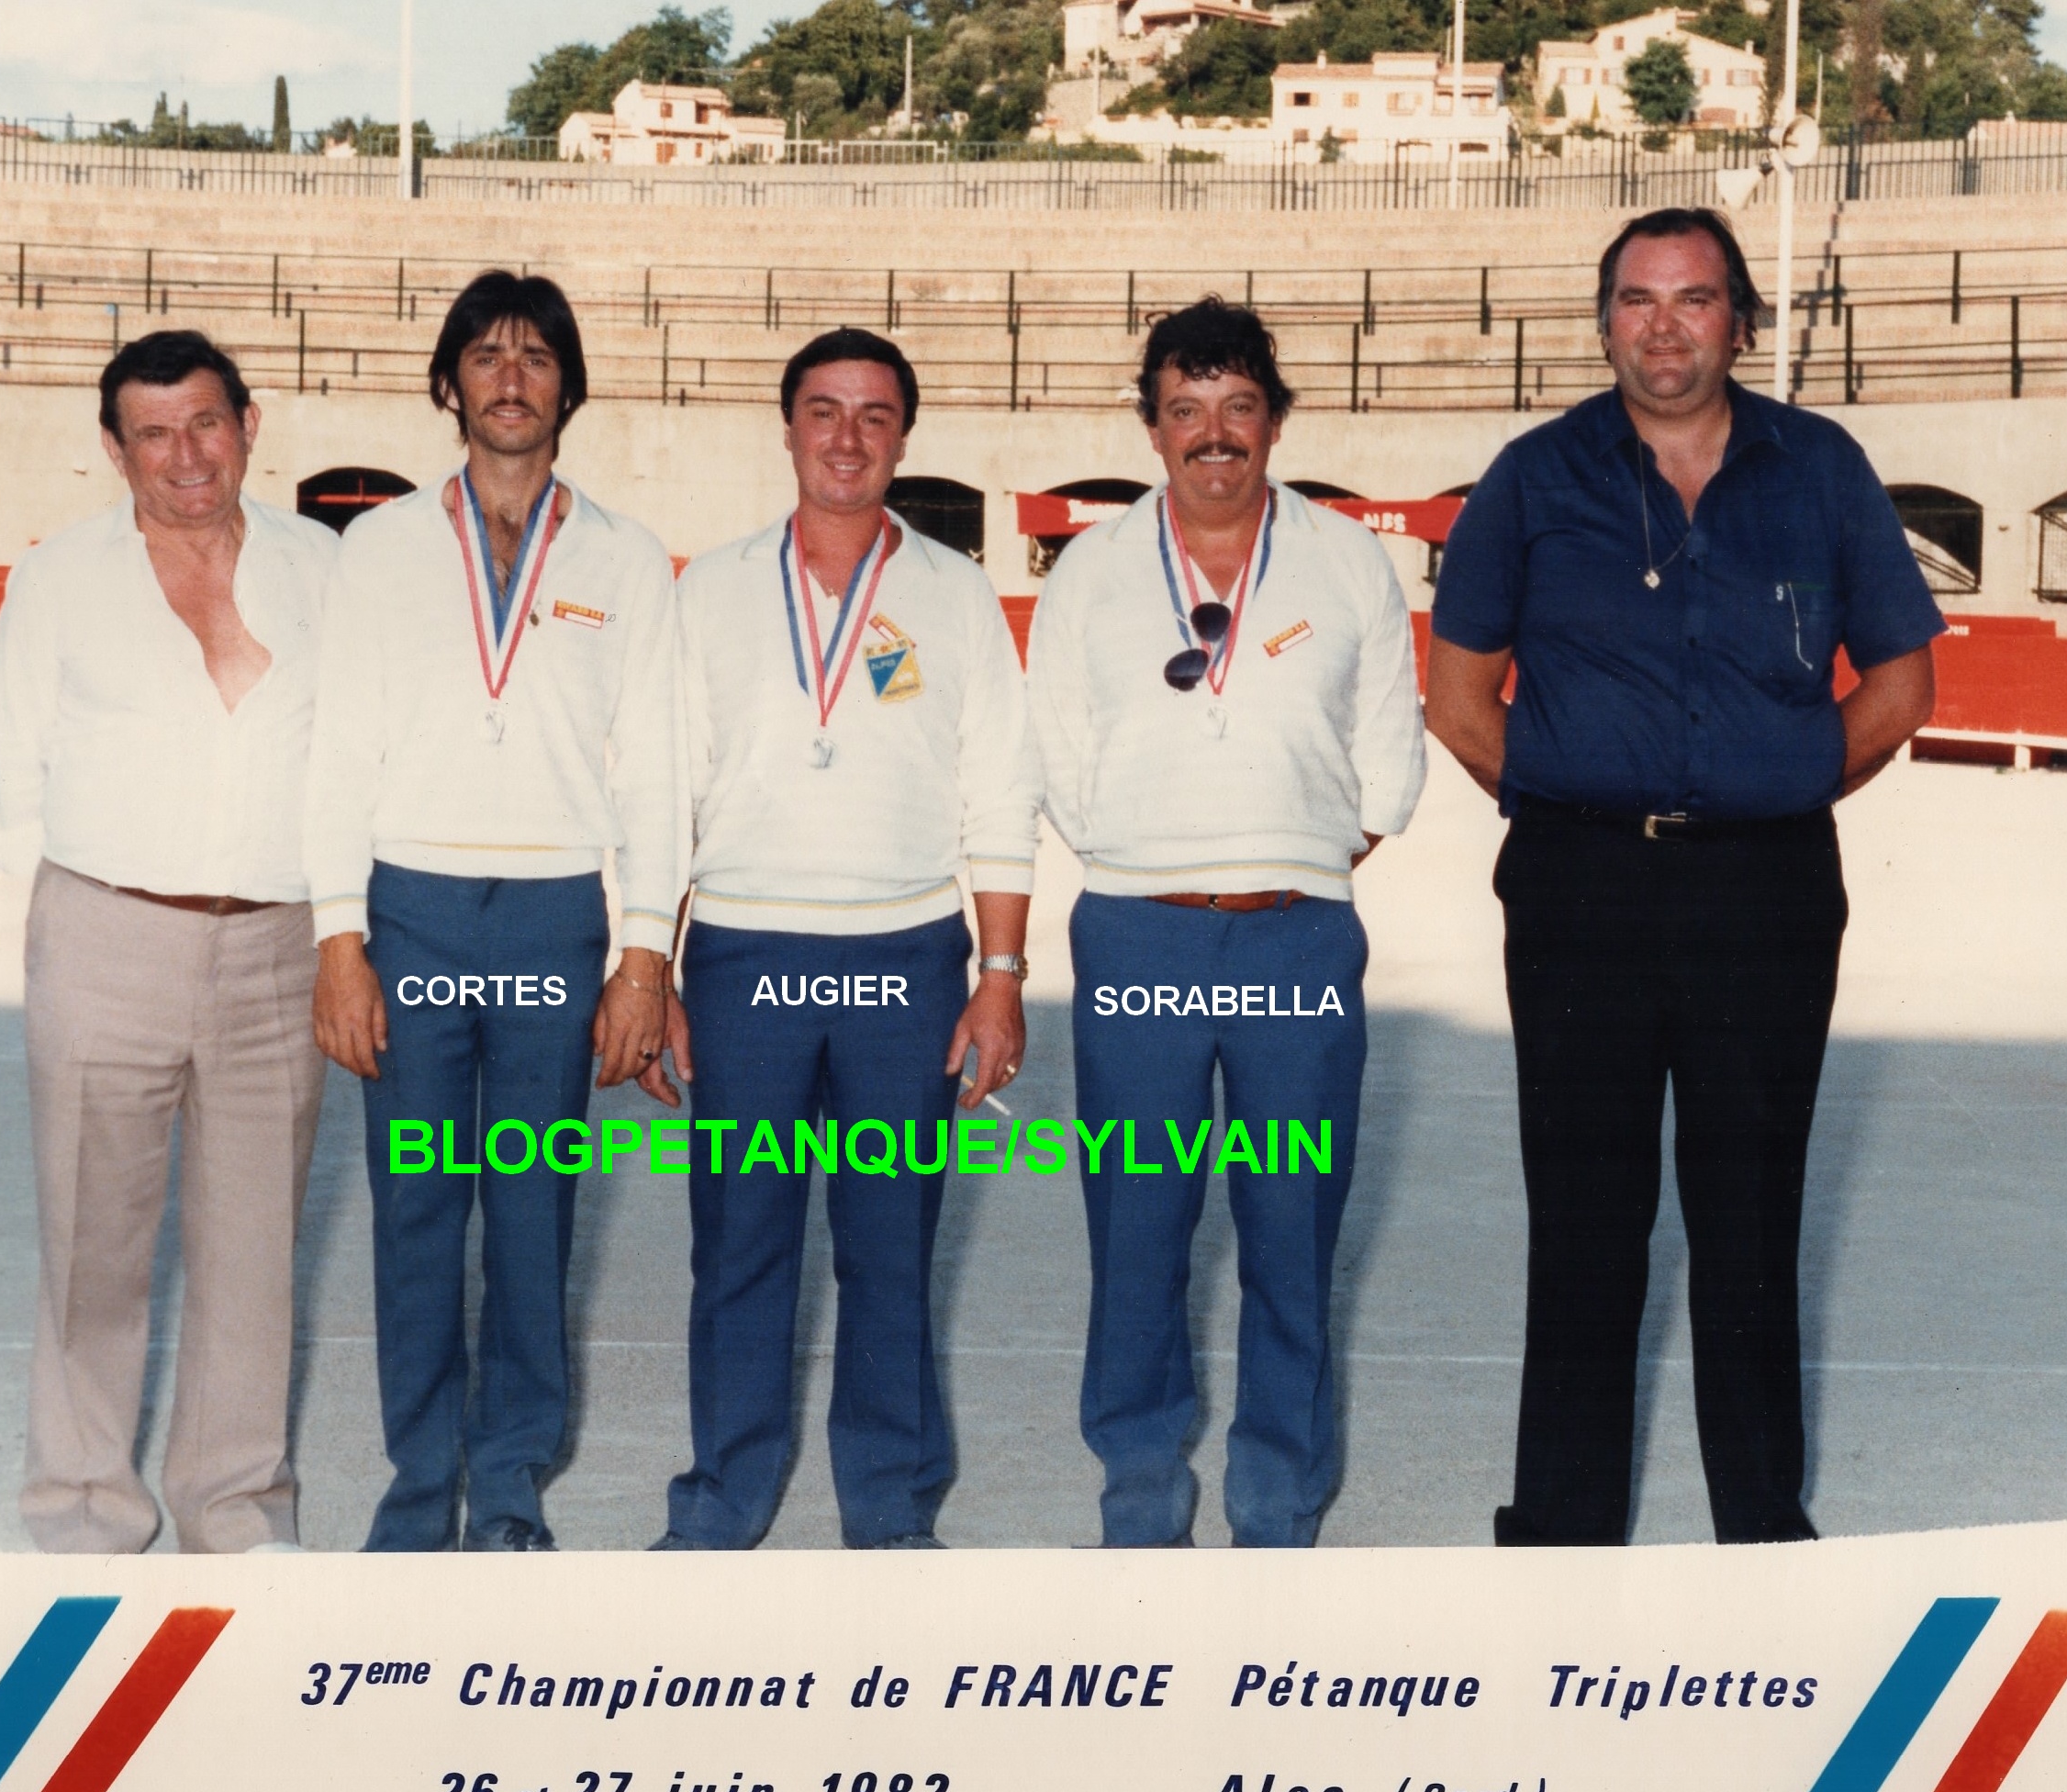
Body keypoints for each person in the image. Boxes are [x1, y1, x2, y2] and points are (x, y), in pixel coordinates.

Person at [1425, 207, 1941, 1547]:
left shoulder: (1822, 470)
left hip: (1768, 896)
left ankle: (1761, 1533)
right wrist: (1572, 802)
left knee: (1751, 1219)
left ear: (1741, 322)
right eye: (1638, 300)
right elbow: (1459, 699)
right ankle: (1562, 1535)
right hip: (1581, 890)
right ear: (1604, 324)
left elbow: (1902, 683)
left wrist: (1780, 785)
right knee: (1584, 1221)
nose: (1664, 326)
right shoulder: (1531, 479)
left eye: (1695, 298)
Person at [1026, 297, 1427, 1548]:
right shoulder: (1092, 569)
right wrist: (1155, 857)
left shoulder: (1346, 559)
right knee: (1138, 1228)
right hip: (1137, 934)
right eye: (1187, 409)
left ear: (1275, 421)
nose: (1215, 434)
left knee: (1290, 1230)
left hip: (1298, 936)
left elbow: (1389, 754)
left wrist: (1288, 857)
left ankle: (1278, 1498)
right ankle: (1139, 1488)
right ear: (1152, 428)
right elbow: (1058, 756)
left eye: (1239, 407)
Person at [303, 272, 684, 1553]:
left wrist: (643, 956)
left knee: (529, 1211)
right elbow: (338, 751)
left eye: (536, 356)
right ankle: (420, 1484)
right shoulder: (380, 548)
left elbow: (657, 768)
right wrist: (340, 938)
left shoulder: (627, 558)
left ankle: (511, 1478)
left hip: (551, 918)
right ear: (449, 383)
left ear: (569, 386)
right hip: (411, 910)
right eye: (486, 355)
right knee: (416, 1210)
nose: (511, 377)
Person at [647, 329, 1039, 1551]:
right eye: (824, 410)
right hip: (745, 956)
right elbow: (662, 792)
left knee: (889, 1251)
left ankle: (890, 1506)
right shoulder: (710, 590)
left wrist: (1000, 975)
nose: (848, 436)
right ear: (788, 429)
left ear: (904, 438)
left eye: (875, 415)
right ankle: (723, 1502)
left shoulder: (956, 594)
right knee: (739, 1248)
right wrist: (649, 968)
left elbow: (1000, 791)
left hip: (905, 959)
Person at [0, 329, 339, 1554]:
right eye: (155, 433)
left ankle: (235, 1512)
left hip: (279, 950)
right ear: (115, 448)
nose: (187, 456)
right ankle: (82, 1508)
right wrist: (91, 906)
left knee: (255, 1254)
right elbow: (11, 763)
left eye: (206, 424)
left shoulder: (325, 569)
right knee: (95, 1245)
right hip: (106, 939)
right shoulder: (60, 577)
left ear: (249, 425)